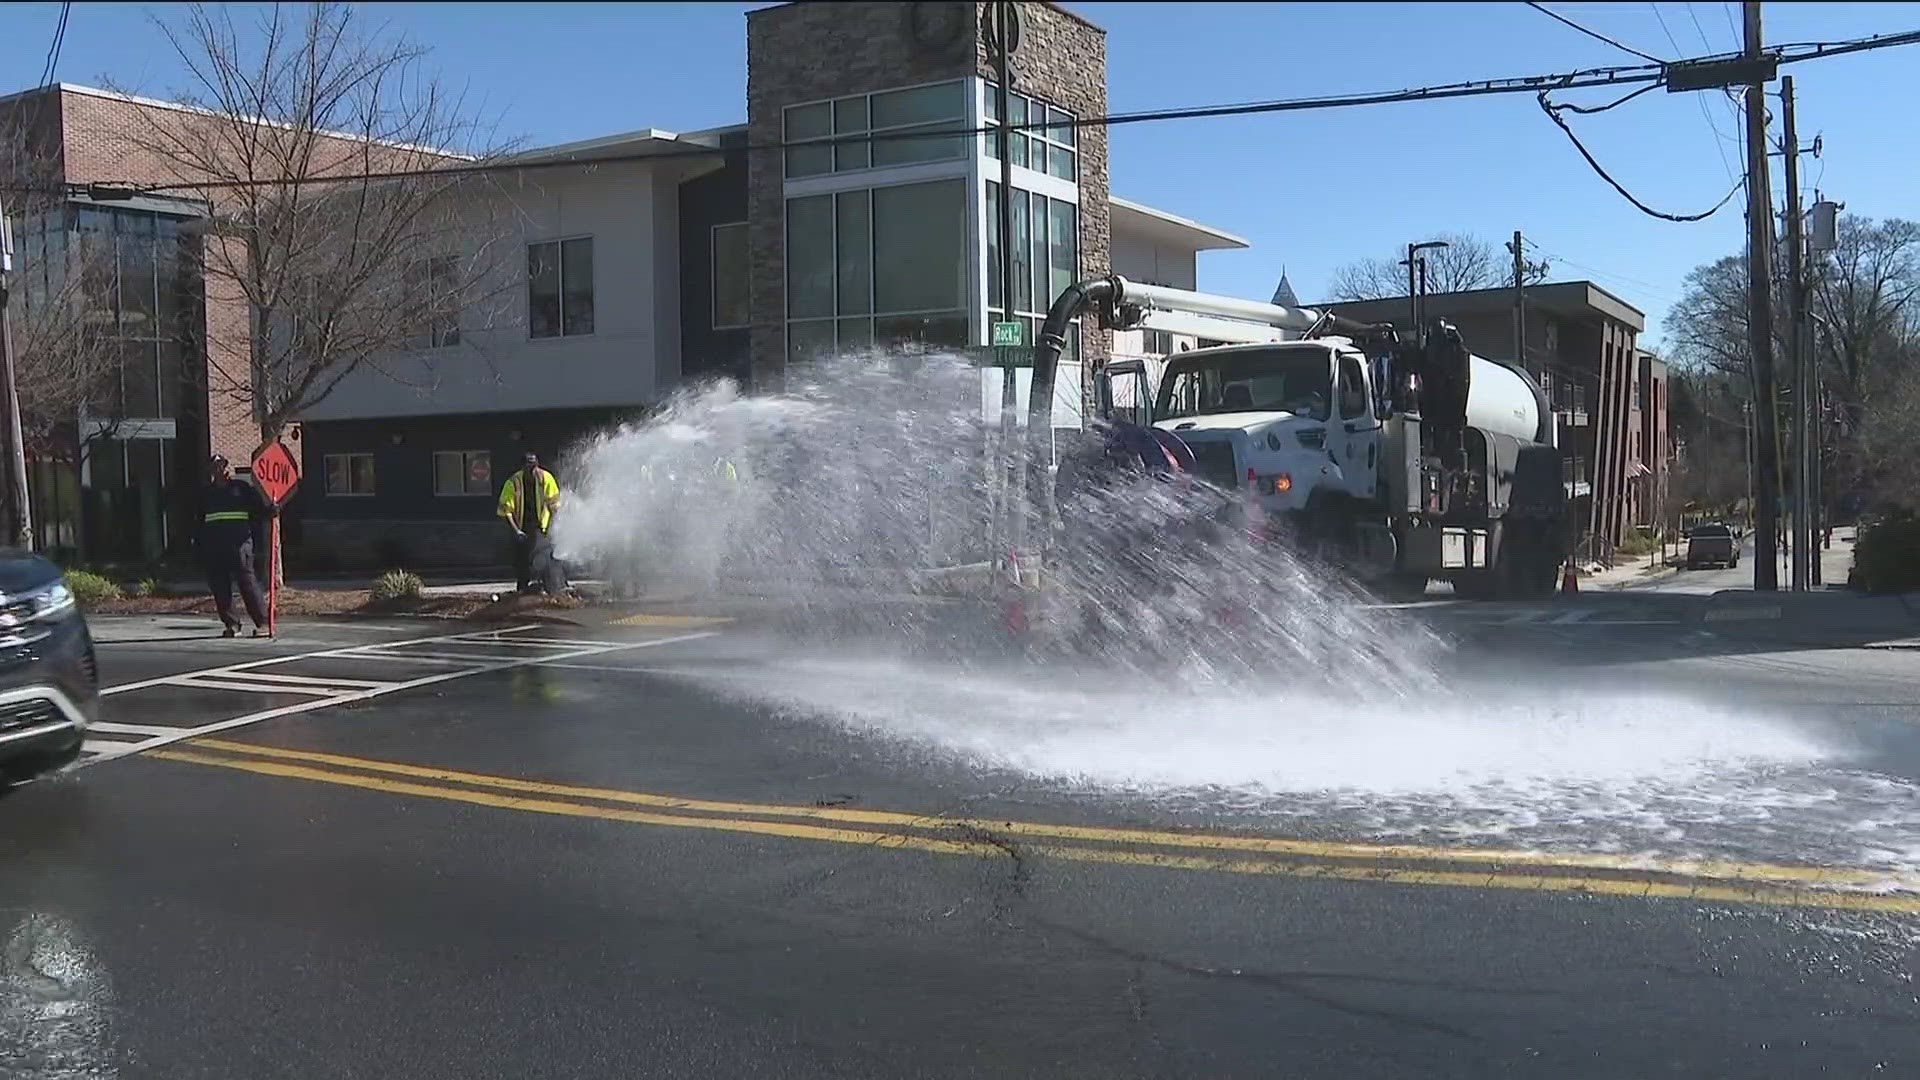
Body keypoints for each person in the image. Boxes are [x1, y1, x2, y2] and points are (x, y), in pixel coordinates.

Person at [199, 454, 272, 638]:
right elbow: (198, 521)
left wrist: (271, 510)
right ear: (210, 470)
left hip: (239, 545)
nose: (219, 470)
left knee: (247, 583)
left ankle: (263, 623)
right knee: (220, 586)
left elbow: (259, 510)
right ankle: (232, 624)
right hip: (214, 547)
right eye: (215, 467)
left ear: (227, 468)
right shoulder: (206, 494)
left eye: (222, 466)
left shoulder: (241, 489)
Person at [497, 452, 562, 593]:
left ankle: (550, 588)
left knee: (545, 557)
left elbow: (554, 506)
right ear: (523, 467)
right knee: (521, 560)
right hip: (521, 526)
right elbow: (506, 510)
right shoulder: (513, 482)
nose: (532, 470)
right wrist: (517, 531)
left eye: (534, 466)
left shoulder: (546, 478)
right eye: (528, 466)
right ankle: (523, 589)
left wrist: (551, 527)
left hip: (541, 527)